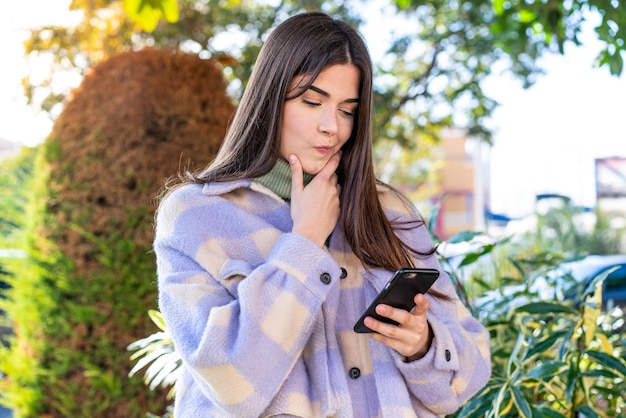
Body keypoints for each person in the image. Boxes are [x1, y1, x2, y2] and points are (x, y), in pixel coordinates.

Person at [154, 11, 491, 418]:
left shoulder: (390, 213)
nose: (332, 127)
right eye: (312, 101)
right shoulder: (196, 216)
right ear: (269, 98)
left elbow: (471, 373)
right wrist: (304, 241)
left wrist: (423, 344)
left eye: (347, 110)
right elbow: (231, 386)